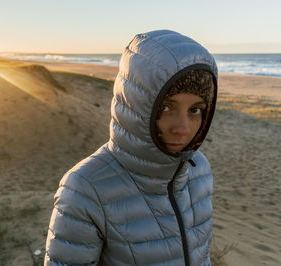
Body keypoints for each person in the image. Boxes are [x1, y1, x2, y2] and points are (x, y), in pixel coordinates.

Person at [44, 30, 218, 266]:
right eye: (167, 107)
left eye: (195, 110)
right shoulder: (84, 189)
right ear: (137, 105)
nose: (183, 129)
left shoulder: (199, 170)